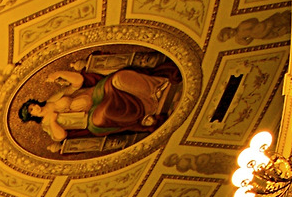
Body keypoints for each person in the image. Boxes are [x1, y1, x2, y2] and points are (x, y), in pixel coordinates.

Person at [18, 61, 177, 145]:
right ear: (32, 116)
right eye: (31, 111)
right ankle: (146, 111)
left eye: (32, 106)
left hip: (95, 94)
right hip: (89, 117)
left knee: (118, 79)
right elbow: (60, 136)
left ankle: (155, 86)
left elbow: (78, 82)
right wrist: (53, 122)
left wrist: (60, 73)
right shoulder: (46, 124)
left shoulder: (52, 100)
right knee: (102, 117)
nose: (35, 109)